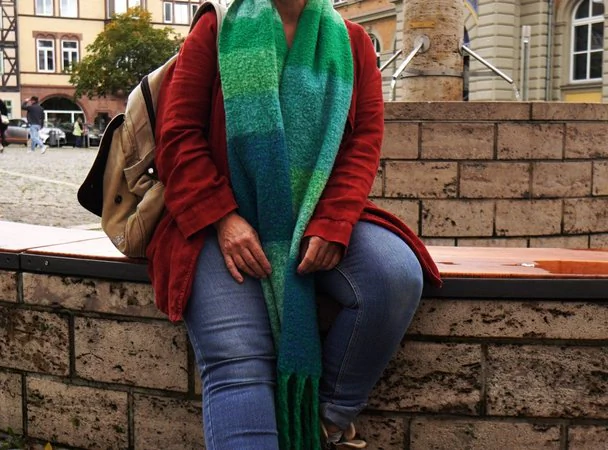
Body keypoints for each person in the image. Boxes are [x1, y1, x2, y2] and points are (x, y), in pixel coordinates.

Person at [146, 0, 442, 448]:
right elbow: (177, 135)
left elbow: (364, 143)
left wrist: (333, 222)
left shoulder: (353, 43)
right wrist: (223, 219)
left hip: (315, 212)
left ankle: (324, 421)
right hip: (219, 217)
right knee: (238, 360)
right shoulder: (216, 28)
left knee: (394, 276)